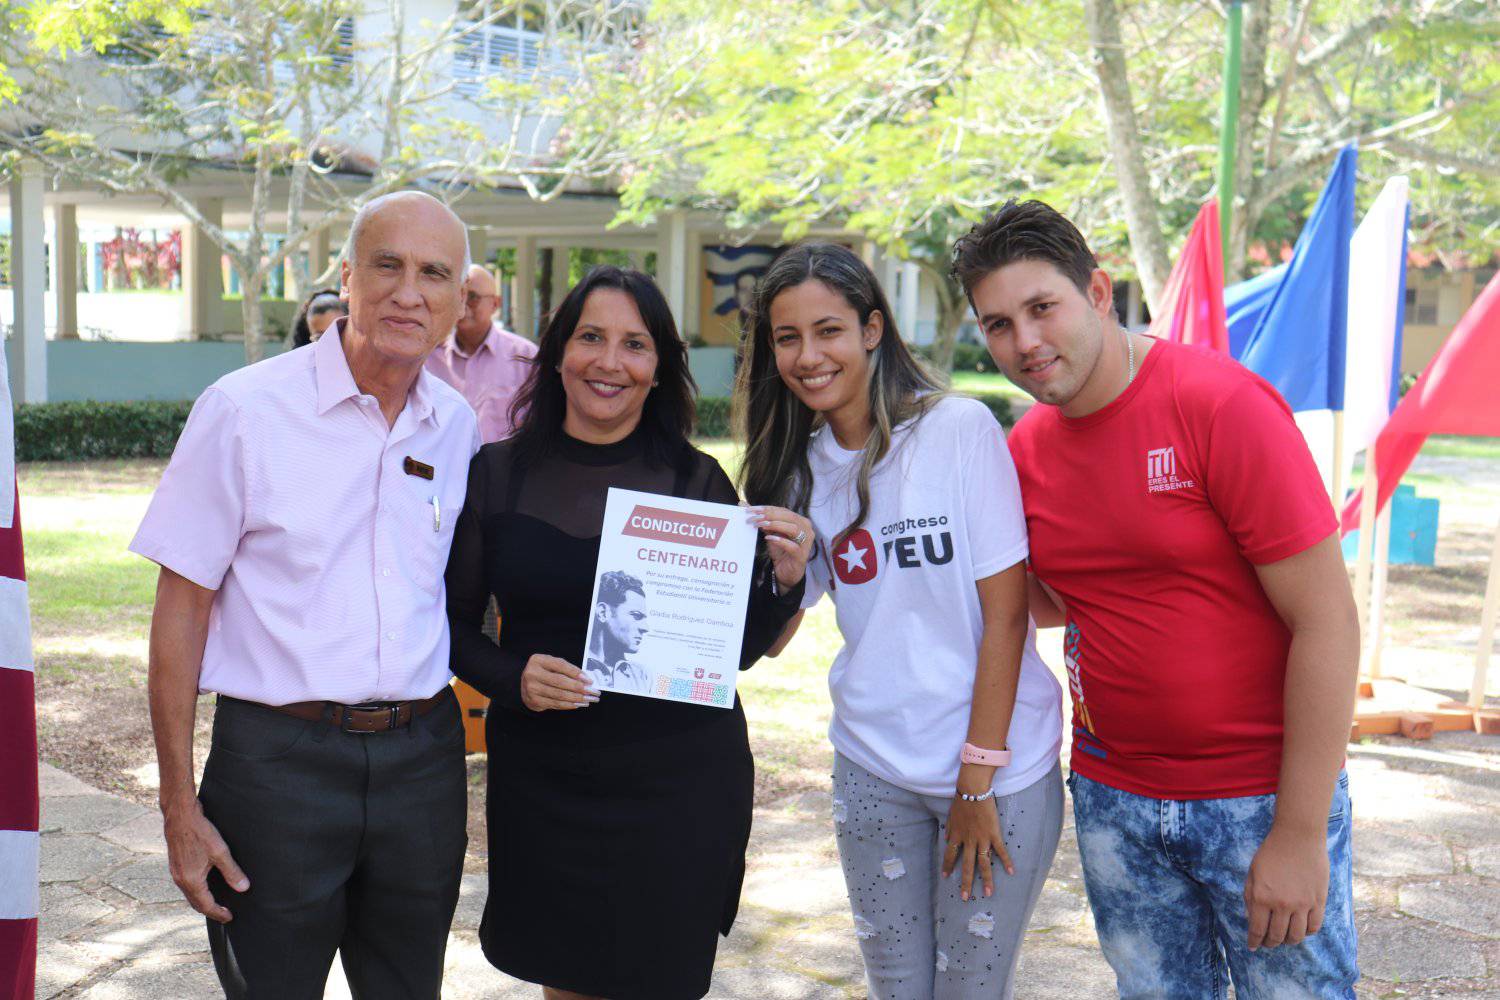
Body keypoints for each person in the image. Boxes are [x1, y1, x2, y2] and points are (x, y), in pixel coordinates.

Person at [950, 199, 1360, 998]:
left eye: (1042, 308)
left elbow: (1327, 620)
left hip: (1257, 796)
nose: (1024, 341)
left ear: (1099, 292)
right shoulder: (1027, 449)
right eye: (998, 324)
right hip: (1116, 800)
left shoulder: (1220, 406)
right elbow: (1049, 599)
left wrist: (1300, 831)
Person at [130, 191, 480, 1000]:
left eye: (433, 274)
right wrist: (178, 806)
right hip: (276, 767)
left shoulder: (456, 426)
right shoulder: (245, 410)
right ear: (347, 277)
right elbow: (180, 611)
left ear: (459, 299)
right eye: (387, 266)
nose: (408, 293)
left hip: (424, 762)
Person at [444, 265, 812, 1000]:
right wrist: (512, 679)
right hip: (546, 782)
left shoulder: (696, 483)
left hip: (676, 783)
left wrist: (784, 583)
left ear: (659, 368)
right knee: (566, 982)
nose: (609, 361)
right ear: (557, 353)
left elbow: (730, 653)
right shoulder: (496, 474)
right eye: (591, 337)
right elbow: (449, 626)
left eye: (635, 344)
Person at [736, 242, 1064, 1000]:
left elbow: (1007, 616)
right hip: (873, 769)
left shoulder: (957, 429)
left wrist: (975, 784)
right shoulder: (798, 469)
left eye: (829, 330)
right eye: (788, 338)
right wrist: (787, 577)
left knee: (969, 991)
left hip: (995, 773)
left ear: (873, 329)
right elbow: (777, 641)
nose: (809, 356)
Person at [425, 262, 539, 444]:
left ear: (495, 304)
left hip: (506, 461)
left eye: (472, 297)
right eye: (458, 296)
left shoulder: (524, 356)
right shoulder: (429, 357)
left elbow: (540, 420)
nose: (463, 305)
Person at [582, 569, 651, 694]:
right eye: (636, 615)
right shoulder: (574, 667)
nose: (646, 628)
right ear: (603, 613)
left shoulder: (642, 677)